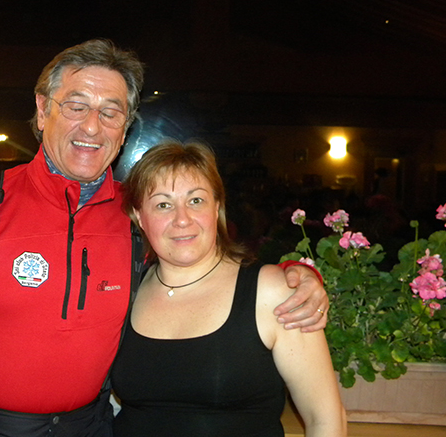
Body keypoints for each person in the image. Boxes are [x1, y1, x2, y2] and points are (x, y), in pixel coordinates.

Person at [0, 39, 328, 437]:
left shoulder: (136, 214)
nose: (92, 127)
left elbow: (201, 264)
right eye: (76, 106)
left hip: (91, 428)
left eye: (110, 112)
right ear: (42, 110)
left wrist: (296, 275)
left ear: (125, 126)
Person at [111, 141, 346, 437]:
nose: (182, 219)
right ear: (139, 217)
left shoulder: (271, 292)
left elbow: (324, 418)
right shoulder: (127, 288)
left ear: (217, 207)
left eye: (196, 200)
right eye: (163, 205)